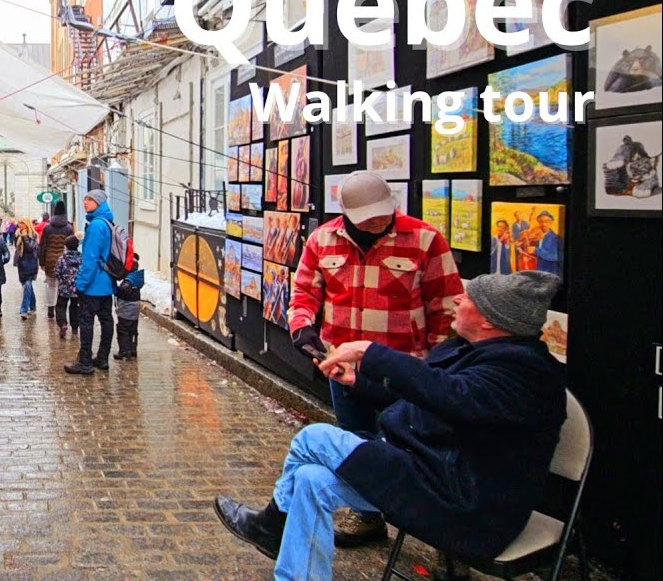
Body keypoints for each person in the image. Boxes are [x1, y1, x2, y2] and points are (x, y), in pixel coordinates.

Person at [214, 271, 566, 581]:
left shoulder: (527, 373)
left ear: (491, 319)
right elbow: (427, 398)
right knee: (310, 480)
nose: (458, 298)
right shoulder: (472, 351)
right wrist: (358, 381)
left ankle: (268, 526)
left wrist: (369, 352)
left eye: (470, 298)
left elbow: (451, 396)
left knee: (314, 438)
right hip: (425, 472)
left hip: (464, 504)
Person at [288, 171, 463, 547]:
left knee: (413, 446)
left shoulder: (425, 239)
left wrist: (436, 369)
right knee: (354, 440)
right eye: (368, 216)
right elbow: (304, 291)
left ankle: (437, 533)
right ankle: (369, 518)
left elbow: (446, 306)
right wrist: (302, 326)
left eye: (384, 212)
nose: (378, 221)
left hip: (405, 369)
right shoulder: (322, 240)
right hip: (342, 366)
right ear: (347, 213)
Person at [65, 189, 117, 375]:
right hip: (106, 282)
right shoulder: (108, 222)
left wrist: (81, 284)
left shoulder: (96, 225)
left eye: (90, 200)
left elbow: (90, 258)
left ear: (99, 203)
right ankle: (103, 358)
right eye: (85, 199)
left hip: (94, 284)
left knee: (86, 321)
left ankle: (85, 361)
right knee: (106, 319)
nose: (85, 202)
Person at [39, 202, 75, 319]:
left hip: (49, 260)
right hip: (65, 261)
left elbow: (42, 246)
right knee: (62, 285)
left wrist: (42, 262)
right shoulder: (69, 228)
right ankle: (60, 310)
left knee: (51, 286)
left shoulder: (47, 228)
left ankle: (50, 310)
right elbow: (72, 245)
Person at [112, 253, 145, 360]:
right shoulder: (137, 277)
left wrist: (114, 288)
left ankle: (124, 351)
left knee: (123, 329)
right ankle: (133, 350)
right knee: (133, 330)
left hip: (127, 309)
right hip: (134, 309)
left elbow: (123, 291)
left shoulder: (128, 281)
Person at [53, 235, 82, 339]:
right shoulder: (81, 257)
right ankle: (75, 327)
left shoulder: (62, 258)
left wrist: (61, 279)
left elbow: (56, 272)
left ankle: (63, 324)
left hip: (64, 288)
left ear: (66, 246)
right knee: (75, 307)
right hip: (77, 288)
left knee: (60, 306)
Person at [15, 221, 40, 319]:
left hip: (31, 263)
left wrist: (25, 237)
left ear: (27, 225)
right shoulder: (18, 235)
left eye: (22, 223)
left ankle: (23, 310)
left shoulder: (33, 235)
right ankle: (33, 306)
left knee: (27, 285)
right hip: (21, 264)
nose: (19, 225)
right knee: (27, 287)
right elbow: (17, 250)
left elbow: (30, 248)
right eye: (19, 223)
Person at [532, 210, 563, 276]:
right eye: (541, 222)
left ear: (551, 222)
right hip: (539, 272)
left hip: (550, 272)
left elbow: (555, 256)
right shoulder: (537, 237)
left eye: (546, 221)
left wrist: (536, 250)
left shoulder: (556, 238)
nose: (543, 224)